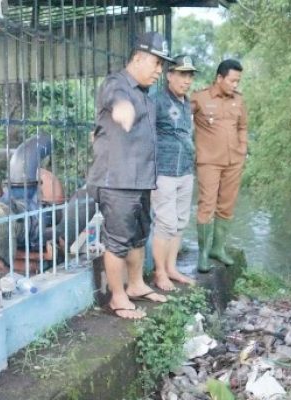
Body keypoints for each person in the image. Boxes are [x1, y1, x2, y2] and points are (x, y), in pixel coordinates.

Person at [87, 32, 174, 319]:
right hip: (117, 182)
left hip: (140, 180)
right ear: (138, 58)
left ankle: (136, 285)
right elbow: (116, 100)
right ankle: (118, 297)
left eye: (163, 65)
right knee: (117, 241)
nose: (159, 71)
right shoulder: (118, 83)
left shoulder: (145, 97)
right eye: (157, 64)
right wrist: (122, 109)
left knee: (138, 237)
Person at [191, 59, 248, 272]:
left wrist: (242, 147)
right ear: (219, 78)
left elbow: (242, 127)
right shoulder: (200, 98)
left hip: (234, 161)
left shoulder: (239, 101)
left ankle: (218, 248)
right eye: (232, 80)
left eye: (238, 81)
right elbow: (177, 119)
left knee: (227, 206)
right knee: (206, 206)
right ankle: (203, 254)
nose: (236, 85)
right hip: (209, 162)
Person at [150, 55, 198, 290]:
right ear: (169, 76)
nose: (186, 80)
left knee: (180, 222)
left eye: (189, 76)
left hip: (186, 170)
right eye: (182, 74)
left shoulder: (186, 103)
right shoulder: (157, 101)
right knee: (165, 223)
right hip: (165, 172)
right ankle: (159, 273)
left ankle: (171, 268)